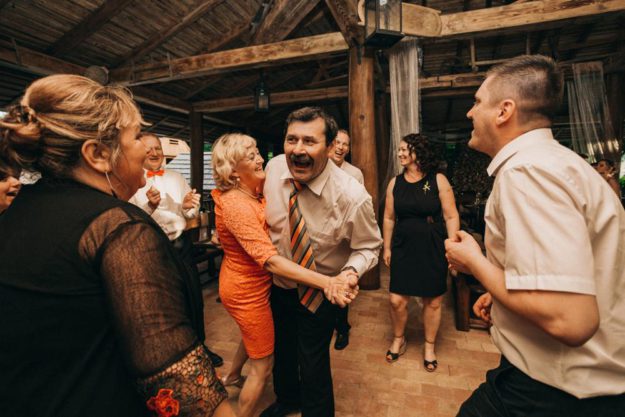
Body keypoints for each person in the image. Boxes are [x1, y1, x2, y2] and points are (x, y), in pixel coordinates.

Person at [0, 74, 234, 417]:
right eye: (136, 136)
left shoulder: (17, 210)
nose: (145, 149)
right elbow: (175, 377)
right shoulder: (120, 229)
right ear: (98, 154)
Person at [444, 55, 625, 417]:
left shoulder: (528, 173)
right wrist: (503, 298)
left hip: (557, 389)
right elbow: (572, 272)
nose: (469, 112)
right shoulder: (559, 162)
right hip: (574, 382)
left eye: (477, 101)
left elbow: (571, 319)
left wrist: (476, 264)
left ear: (504, 111)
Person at [210, 133, 358, 417]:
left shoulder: (251, 192)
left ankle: (232, 374)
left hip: (257, 285)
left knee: (255, 338)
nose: (260, 159)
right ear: (234, 171)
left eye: (257, 152)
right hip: (247, 292)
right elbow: (271, 261)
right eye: (251, 156)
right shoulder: (237, 205)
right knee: (263, 365)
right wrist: (327, 282)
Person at [261, 107, 383, 417]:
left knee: (312, 362)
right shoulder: (273, 169)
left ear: (330, 148)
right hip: (279, 285)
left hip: (321, 291)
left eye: (309, 141)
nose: (298, 149)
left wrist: (350, 273)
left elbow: (369, 246)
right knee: (283, 351)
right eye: (292, 139)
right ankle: (287, 399)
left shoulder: (352, 195)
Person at [130, 133, 224, 368]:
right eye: (148, 149)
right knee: (162, 301)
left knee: (193, 296)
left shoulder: (176, 176)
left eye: (157, 148)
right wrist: (149, 206)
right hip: (151, 248)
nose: (154, 153)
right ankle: (172, 352)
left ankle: (200, 345)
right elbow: (130, 219)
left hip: (181, 245)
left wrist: (188, 206)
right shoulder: (131, 180)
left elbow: (189, 214)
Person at [382, 133, 459, 372]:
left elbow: (451, 216)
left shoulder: (438, 180)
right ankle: (399, 339)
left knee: (433, 301)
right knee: (396, 300)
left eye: (404, 149)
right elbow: (389, 217)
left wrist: (452, 247)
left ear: (418, 152)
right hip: (403, 245)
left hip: (432, 244)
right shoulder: (395, 183)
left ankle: (429, 346)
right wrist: (387, 246)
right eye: (399, 149)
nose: (400, 153)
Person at [327, 129, 365, 350]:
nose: (340, 147)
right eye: (337, 142)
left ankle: (342, 328)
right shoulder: (319, 166)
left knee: (343, 280)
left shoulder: (355, 173)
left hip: (343, 236)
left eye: (345, 144)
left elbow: (359, 204)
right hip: (321, 235)